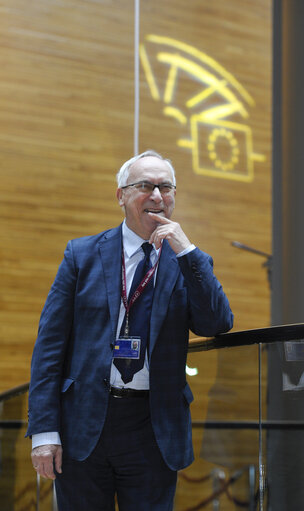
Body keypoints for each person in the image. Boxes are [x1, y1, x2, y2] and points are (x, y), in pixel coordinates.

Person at [26, 150, 233, 511]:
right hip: (83, 425)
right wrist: (44, 431)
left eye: (165, 187)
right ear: (121, 195)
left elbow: (217, 323)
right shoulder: (82, 255)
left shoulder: (187, 262)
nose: (157, 196)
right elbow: (49, 348)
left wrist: (187, 251)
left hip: (153, 429)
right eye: (145, 186)